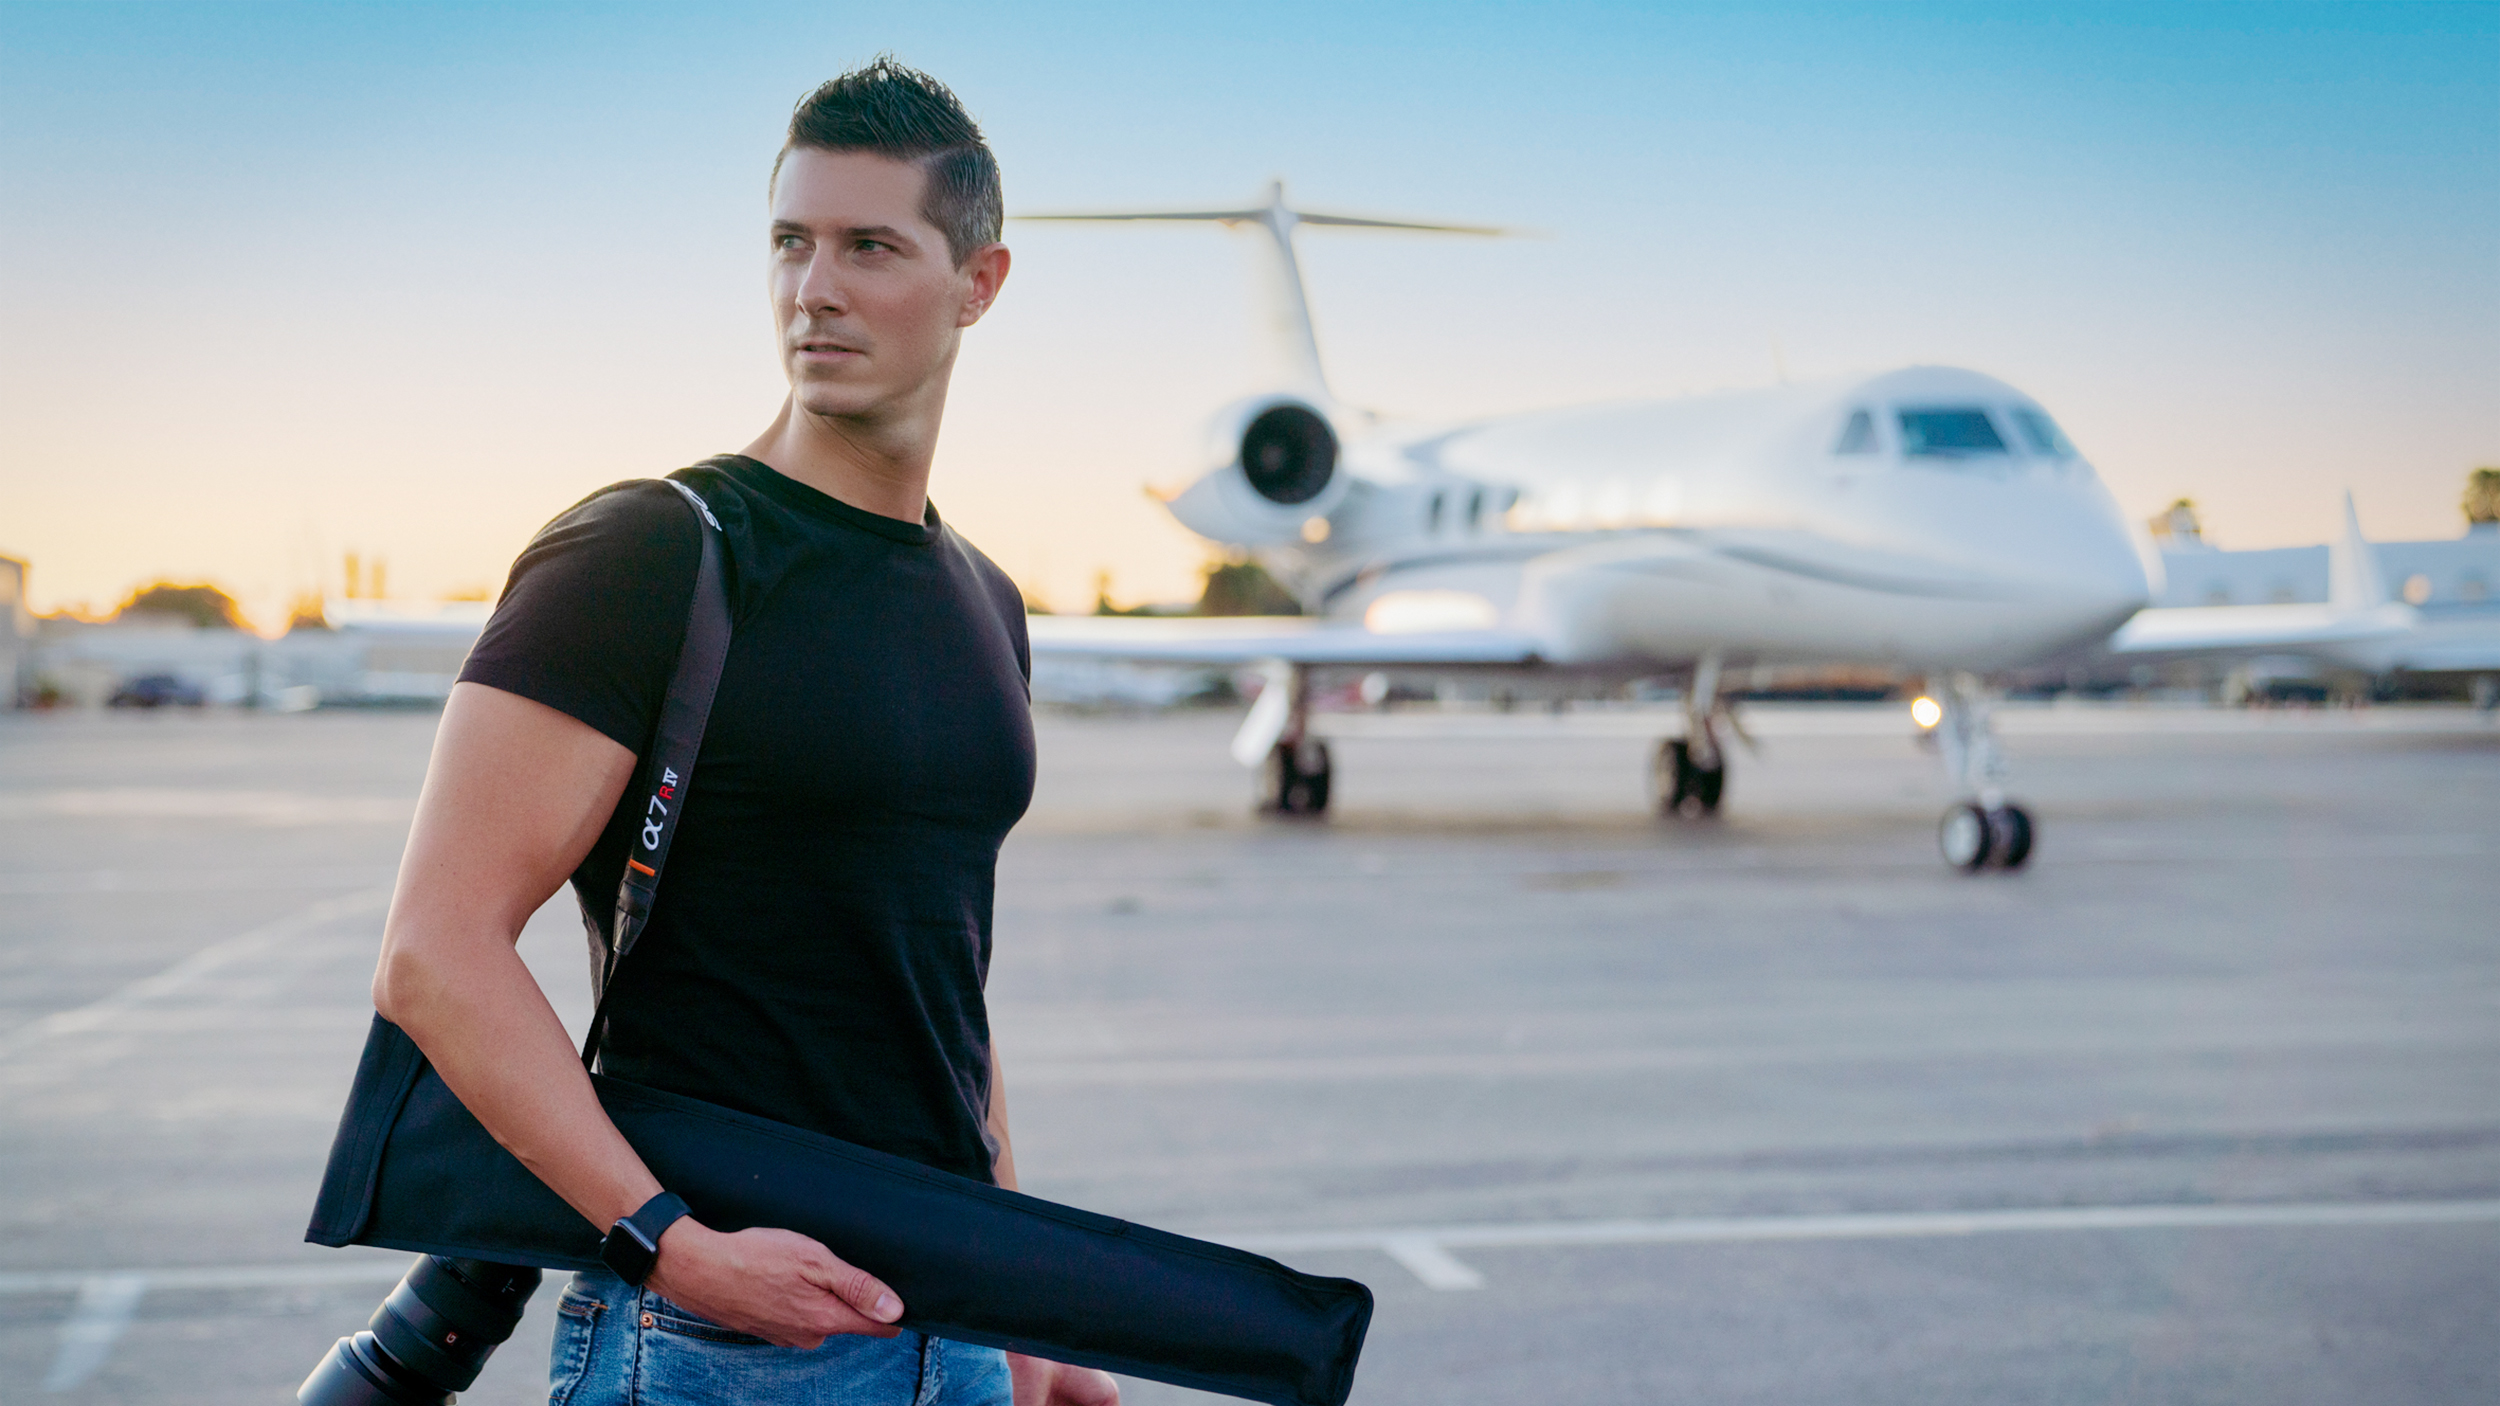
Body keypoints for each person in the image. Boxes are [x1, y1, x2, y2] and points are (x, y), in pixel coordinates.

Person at [370, 59, 1118, 1406]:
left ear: (980, 283)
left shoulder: (986, 600)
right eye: (790, 242)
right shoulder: (649, 551)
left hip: (952, 1319)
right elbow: (434, 952)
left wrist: (1024, 1312)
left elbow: (939, 990)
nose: (811, 289)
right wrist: (671, 1247)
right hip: (718, 1344)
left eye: (869, 247)